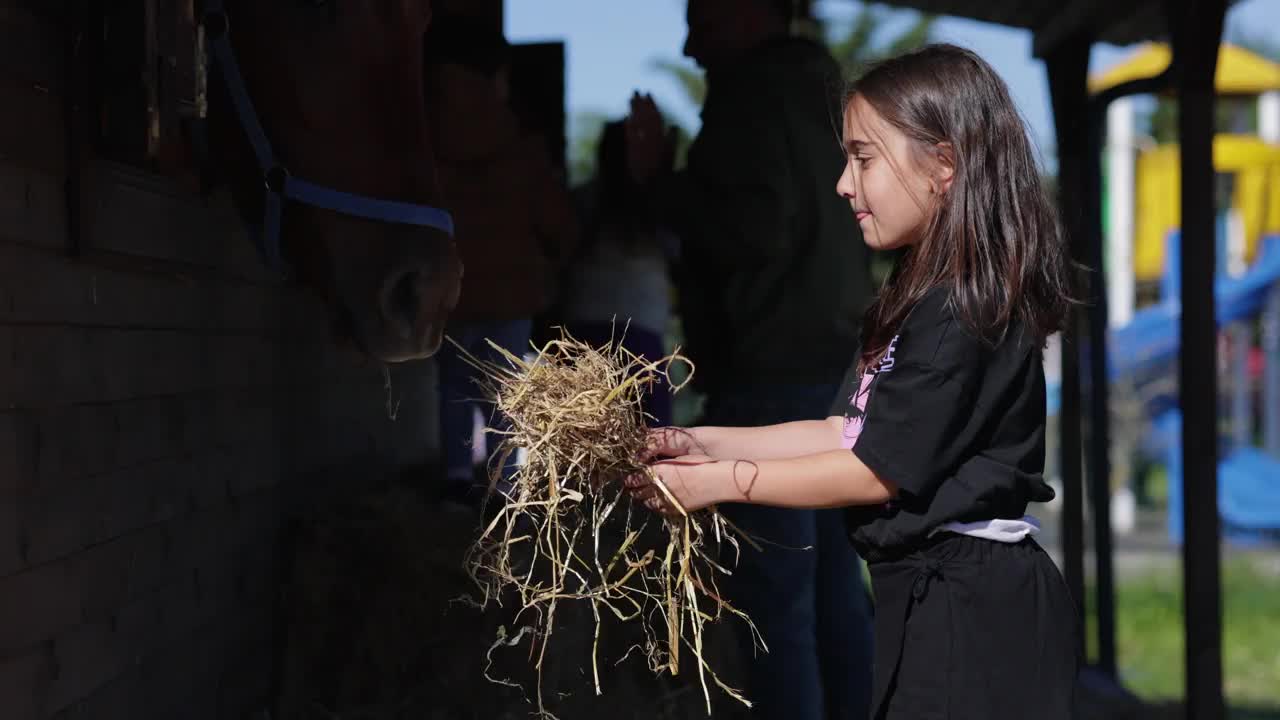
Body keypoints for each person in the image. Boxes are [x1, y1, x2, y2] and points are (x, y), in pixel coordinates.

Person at [626, 44, 1081, 720]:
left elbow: (873, 470)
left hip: (975, 613)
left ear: (944, 167)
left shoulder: (967, 305)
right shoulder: (918, 294)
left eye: (863, 158)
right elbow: (841, 430)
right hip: (929, 600)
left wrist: (716, 485)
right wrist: (697, 443)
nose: (843, 183)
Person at [624, 1, 875, 717]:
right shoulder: (822, 93)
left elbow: (753, 230)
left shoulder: (754, 97)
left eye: (702, 15)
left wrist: (659, 186)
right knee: (833, 601)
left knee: (776, 610)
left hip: (770, 374)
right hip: (833, 366)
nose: (690, 42)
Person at [424, 14, 578, 508]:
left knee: (452, 387)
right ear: (498, 78)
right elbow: (556, 223)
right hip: (511, 293)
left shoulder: (430, 144)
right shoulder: (521, 149)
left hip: (451, 290)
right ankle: (502, 488)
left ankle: (453, 478)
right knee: (506, 396)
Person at [561, 119, 677, 427]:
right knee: (650, 436)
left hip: (584, 323)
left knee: (581, 430)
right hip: (641, 325)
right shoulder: (658, 207)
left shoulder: (583, 200)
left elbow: (560, 250)